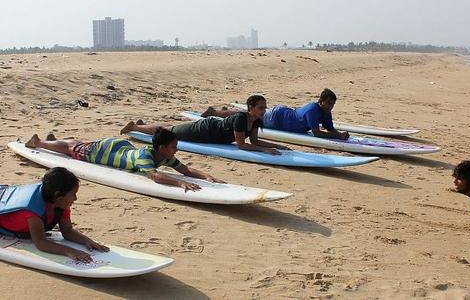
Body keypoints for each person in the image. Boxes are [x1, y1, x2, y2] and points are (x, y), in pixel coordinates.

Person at [25, 128, 222, 192]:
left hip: (120, 147)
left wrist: (207, 176)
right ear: (162, 148)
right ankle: (39, 142)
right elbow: (155, 176)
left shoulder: (165, 156)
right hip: (106, 153)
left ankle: (53, 141)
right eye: (173, 146)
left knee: (80, 144)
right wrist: (179, 182)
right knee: (73, 149)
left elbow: (186, 170)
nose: (176, 149)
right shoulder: (146, 156)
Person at [0, 167, 109, 263]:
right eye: (73, 194)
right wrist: (69, 251)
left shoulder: (61, 204)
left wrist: (87, 241)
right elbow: (40, 242)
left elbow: (67, 231)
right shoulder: (32, 210)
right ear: (58, 195)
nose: (75, 199)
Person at [121, 95, 289, 155]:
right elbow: (241, 144)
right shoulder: (240, 119)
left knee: (172, 126)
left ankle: (143, 124)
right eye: (261, 108)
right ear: (250, 108)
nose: (264, 110)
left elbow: (255, 141)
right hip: (203, 131)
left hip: (210, 132)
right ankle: (134, 128)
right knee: (169, 131)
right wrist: (265, 150)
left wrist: (279, 146)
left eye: (265, 107)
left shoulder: (256, 120)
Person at [205, 89, 349, 140]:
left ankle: (222, 111)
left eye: (332, 104)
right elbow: (317, 133)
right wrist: (338, 136)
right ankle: (215, 112)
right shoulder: (312, 110)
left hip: (285, 114)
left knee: (249, 115)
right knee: (248, 116)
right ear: (320, 101)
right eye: (328, 103)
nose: (330, 106)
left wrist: (340, 134)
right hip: (277, 119)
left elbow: (329, 129)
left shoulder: (326, 112)